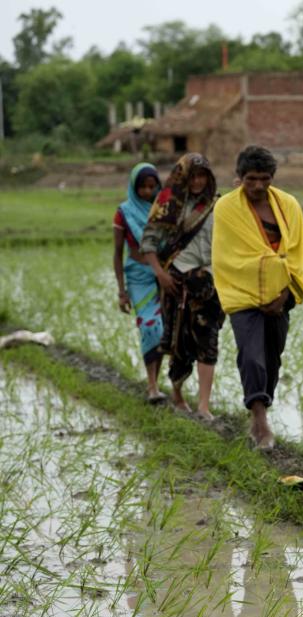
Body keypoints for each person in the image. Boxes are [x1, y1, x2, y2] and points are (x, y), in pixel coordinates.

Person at [211, 145, 303, 450]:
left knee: (271, 358)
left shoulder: (289, 205)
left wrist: (282, 295)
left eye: (264, 179)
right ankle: (262, 423)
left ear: (273, 178)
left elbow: (294, 253)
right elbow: (229, 257)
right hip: (242, 295)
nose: (257, 186)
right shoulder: (227, 208)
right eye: (251, 179)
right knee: (251, 356)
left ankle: (259, 413)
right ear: (239, 177)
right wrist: (261, 283)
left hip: (281, 296)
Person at [139, 153, 222, 418]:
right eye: (192, 176)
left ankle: (204, 405)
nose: (197, 181)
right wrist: (160, 274)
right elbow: (149, 241)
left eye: (202, 176)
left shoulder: (218, 205)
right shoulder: (170, 205)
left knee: (208, 339)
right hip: (176, 280)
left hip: (210, 282)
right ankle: (176, 392)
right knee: (178, 340)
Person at [112, 162, 165, 402]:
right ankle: (152, 386)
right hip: (137, 277)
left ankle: (156, 381)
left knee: (162, 330)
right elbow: (117, 253)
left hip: (162, 276)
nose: (147, 192)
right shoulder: (123, 212)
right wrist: (121, 292)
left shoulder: (162, 210)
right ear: (134, 187)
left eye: (152, 187)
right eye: (142, 187)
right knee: (148, 326)